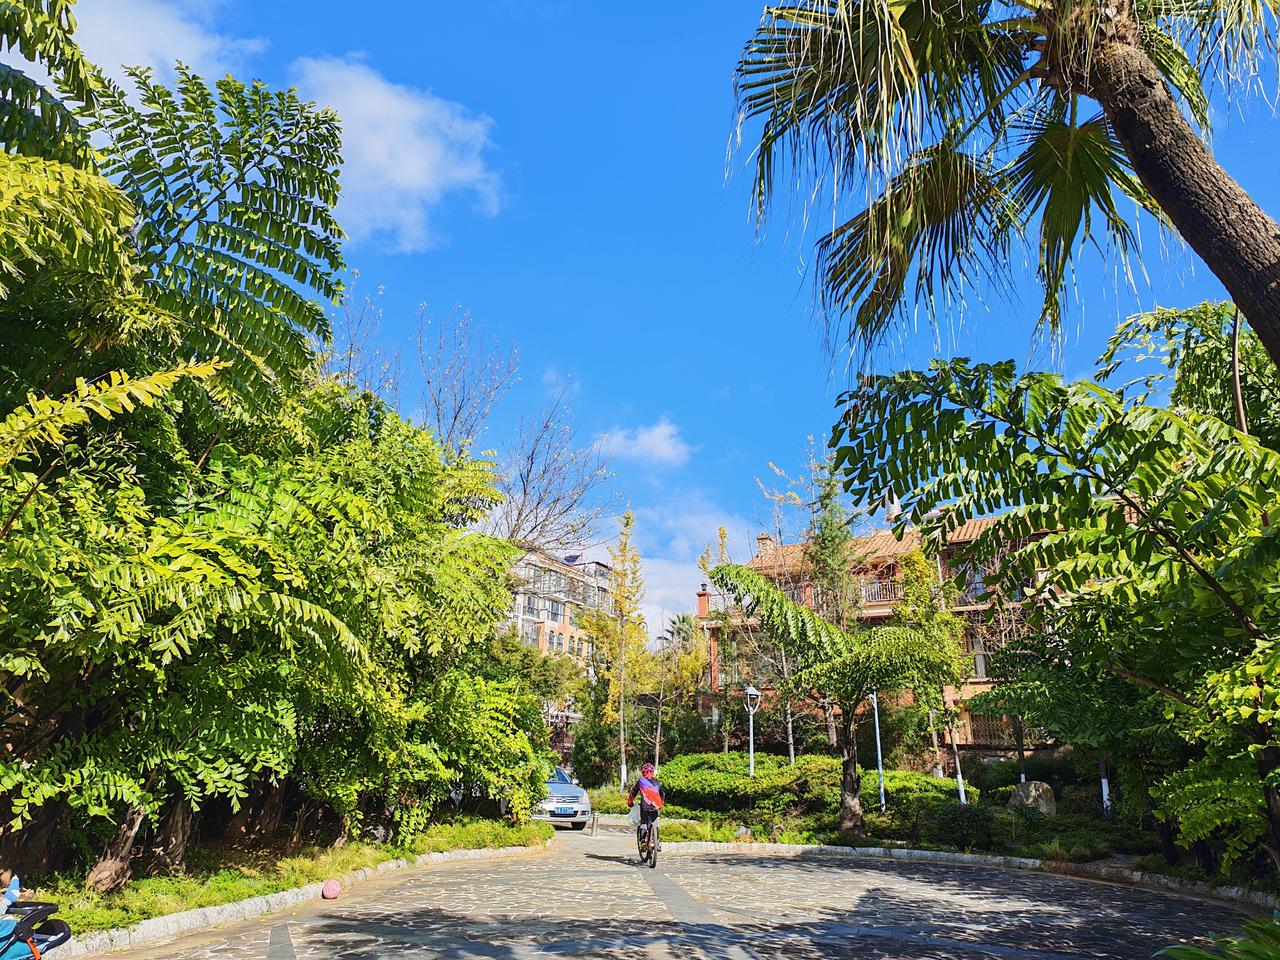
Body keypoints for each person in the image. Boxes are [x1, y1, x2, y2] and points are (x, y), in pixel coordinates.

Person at [626, 763, 666, 846]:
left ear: (643, 772)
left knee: (644, 822)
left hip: (645, 806)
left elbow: (633, 793)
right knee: (655, 822)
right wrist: (661, 804)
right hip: (656, 806)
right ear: (653, 772)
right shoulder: (657, 782)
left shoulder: (641, 781)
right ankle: (656, 842)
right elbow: (663, 794)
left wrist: (630, 803)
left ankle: (643, 841)